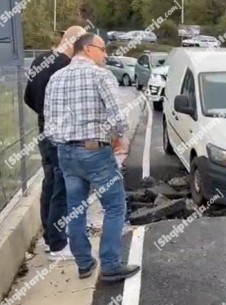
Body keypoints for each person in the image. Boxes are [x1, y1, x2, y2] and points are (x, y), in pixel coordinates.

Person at [44, 33, 140, 281]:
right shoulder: (101, 75)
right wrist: (119, 137)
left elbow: (48, 124)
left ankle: (84, 264)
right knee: (115, 205)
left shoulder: (55, 78)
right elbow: (117, 115)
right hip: (95, 152)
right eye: (102, 49)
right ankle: (110, 265)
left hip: (65, 153)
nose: (105, 54)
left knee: (75, 209)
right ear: (88, 49)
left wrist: (62, 143)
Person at [23, 25, 88, 261]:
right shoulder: (65, 66)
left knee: (49, 185)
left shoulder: (39, 60)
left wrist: (43, 115)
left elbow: (28, 97)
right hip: (60, 136)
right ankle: (58, 244)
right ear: (75, 42)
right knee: (61, 188)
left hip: (44, 131)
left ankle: (51, 238)